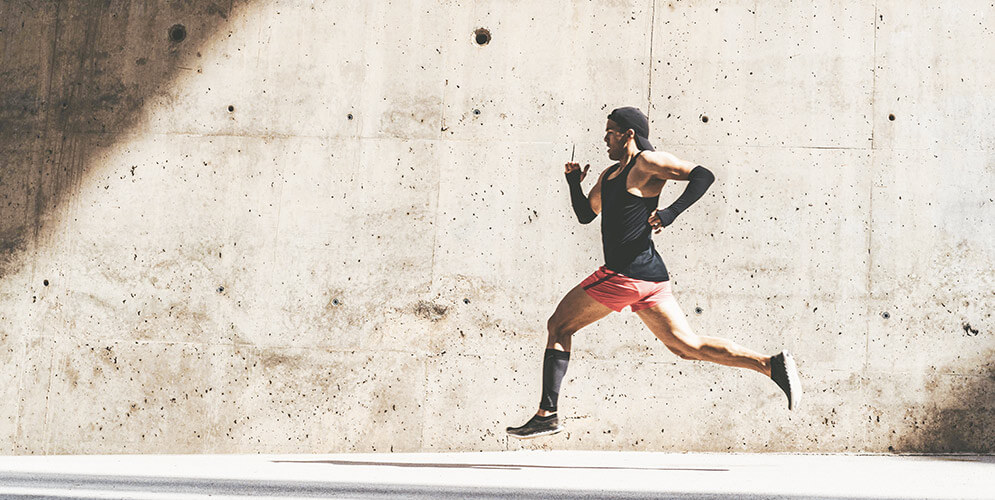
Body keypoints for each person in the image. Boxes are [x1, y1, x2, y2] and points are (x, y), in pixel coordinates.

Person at [506, 107, 801, 439]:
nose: (605, 138)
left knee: (559, 325)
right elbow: (586, 215)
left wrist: (671, 212)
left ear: (628, 134)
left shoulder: (647, 163)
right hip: (650, 279)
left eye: (610, 132)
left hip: (623, 275)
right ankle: (770, 364)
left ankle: (547, 414)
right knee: (686, 346)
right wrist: (574, 182)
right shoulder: (608, 175)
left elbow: (703, 175)